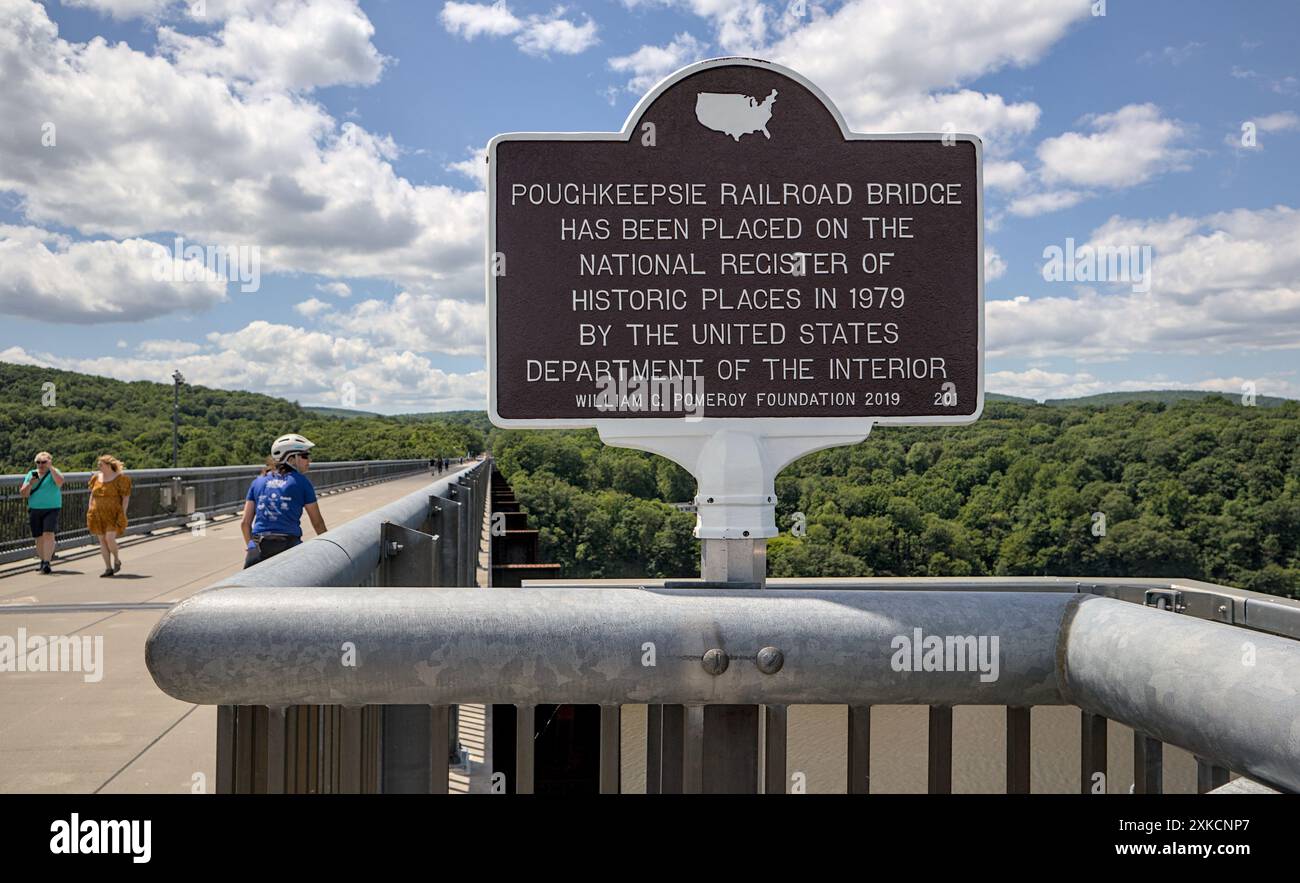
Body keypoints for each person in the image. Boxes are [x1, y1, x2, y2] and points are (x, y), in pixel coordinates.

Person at [241, 433, 328, 569]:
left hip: (258, 548)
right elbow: (317, 523)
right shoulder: (302, 482)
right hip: (288, 547)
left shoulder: (257, 481)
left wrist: (251, 546)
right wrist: (328, 546)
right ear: (291, 459)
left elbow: (245, 523)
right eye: (305, 456)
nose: (309, 460)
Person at [86, 455, 132, 577]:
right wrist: (90, 508)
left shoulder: (121, 478)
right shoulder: (96, 478)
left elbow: (126, 497)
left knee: (109, 538)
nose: (99, 467)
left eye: (101, 465)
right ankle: (108, 568)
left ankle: (116, 559)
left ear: (108, 465)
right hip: (97, 513)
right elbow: (92, 495)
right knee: (102, 540)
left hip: (113, 513)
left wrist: (123, 513)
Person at [20, 451, 63, 574]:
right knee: (38, 537)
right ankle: (43, 560)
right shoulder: (32, 474)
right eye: (38, 462)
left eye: (43, 462)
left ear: (49, 461)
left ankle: (47, 562)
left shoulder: (53, 472)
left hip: (52, 508)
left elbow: (60, 482)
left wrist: (51, 468)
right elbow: (23, 494)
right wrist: (29, 484)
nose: (40, 465)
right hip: (35, 509)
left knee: (48, 533)